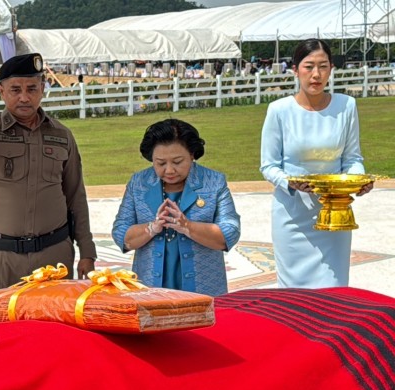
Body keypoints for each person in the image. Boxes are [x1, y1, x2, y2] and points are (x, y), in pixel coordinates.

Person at [0, 53, 97, 292]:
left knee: (53, 327)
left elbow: (75, 195)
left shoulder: (61, 135)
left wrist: (87, 251)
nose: (24, 97)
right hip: (1, 259)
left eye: (32, 88)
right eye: (15, 90)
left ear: (43, 89)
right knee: (1, 327)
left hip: (54, 255)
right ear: (1, 91)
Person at [260, 38, 374, 288]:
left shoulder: (347, 106)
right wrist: (291, 182)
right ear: (295, 69)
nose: (316, 74)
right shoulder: (279, 110)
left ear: (332, 69)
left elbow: (352, 158)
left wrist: (357, 180)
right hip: (292, 214)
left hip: (335, 215)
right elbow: (268, 165)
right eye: (308, 66)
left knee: (333, 286)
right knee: (293, 291)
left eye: (323, 66)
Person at [112, 119, 241, 296]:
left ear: (192, 154)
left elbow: (230, 232)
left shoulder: (214, 182)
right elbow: (121, 233)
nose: (170, 170)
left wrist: (188, 227)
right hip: (149, 290)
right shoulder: (139, 183)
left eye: (178, 161)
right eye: (161, 163)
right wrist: (151, 228)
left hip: (204, 290)